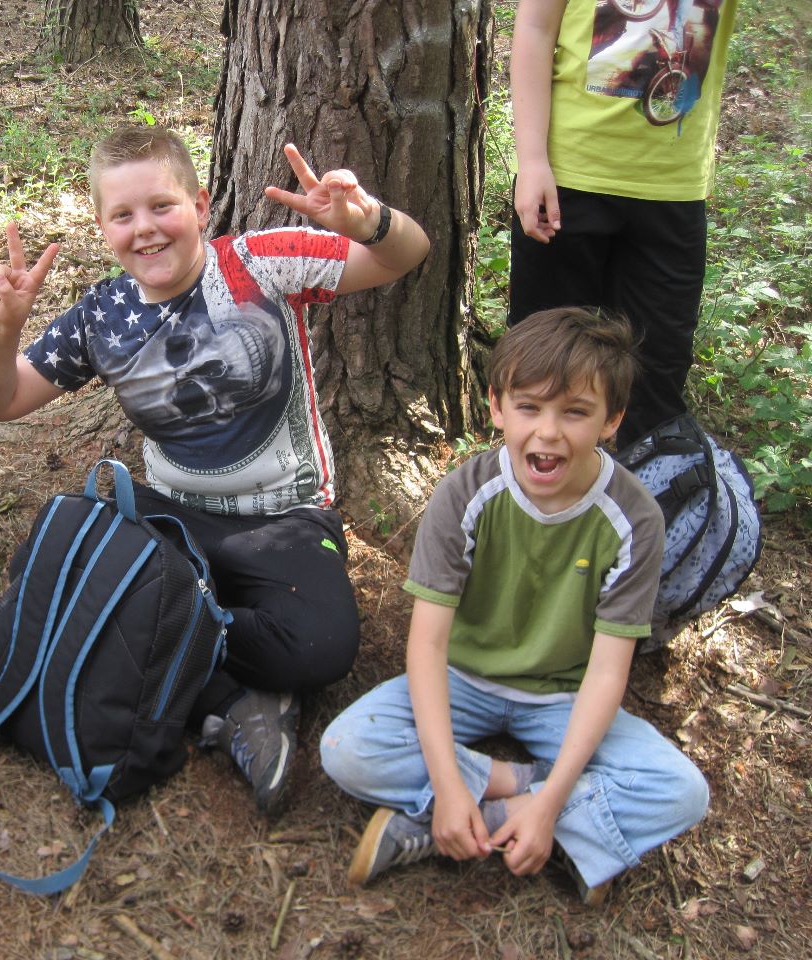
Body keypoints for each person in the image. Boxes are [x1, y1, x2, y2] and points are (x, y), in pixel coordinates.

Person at [0, 124, 430, 815]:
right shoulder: (102, 315)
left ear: (200, 205)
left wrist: (371, 222)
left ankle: (160, 641)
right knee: (44, 551)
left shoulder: (259, 263)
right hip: (174, 517)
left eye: (161, 206)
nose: (145, 229)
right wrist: (1, 328)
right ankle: (233, 699)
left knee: (320, 649)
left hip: (288, 516)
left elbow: (404, 258)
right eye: (122, 215)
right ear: (102, 226)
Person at [320, 308, 708, 905]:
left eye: (575, 412)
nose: (548, 433)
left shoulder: (634, 518)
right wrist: (450, 784)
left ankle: (506, 818)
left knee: (681, 791)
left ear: (613, 421)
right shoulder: (466, 494)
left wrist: (548, 805)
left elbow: (609, 671)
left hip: (563, 696)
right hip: (461, 680)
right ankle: (522, 798)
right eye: (529, 407)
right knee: (348, 748)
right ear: (498, 407)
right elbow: (424, 645)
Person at [509, 0, 737, 446]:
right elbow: (534, 29)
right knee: (543, 367)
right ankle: (538, 505)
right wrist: (532, 160)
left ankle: (645, 501)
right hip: (567, 178)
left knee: (656, 376)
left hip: (673, 188)